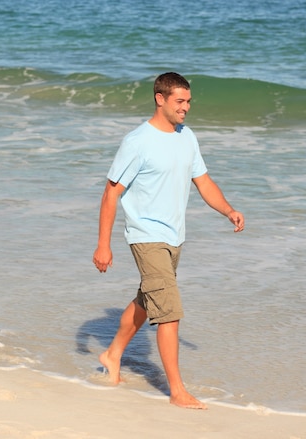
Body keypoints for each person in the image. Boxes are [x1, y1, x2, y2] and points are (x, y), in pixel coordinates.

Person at [92, 72, 244, 410]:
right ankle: (177, 391)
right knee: (169, 312)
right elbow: (111, 192)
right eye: (180, 101)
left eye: (189, 101)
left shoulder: (187, 137)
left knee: (149, 301)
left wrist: (228, 210)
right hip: (146, 237)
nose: (186, 108)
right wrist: (104, 244)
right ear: (160, 99)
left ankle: (113, 353)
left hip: (175, 236)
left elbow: (203, 182)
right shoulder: (138, 141)